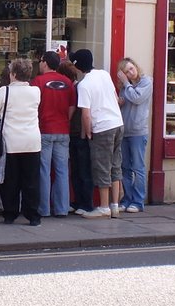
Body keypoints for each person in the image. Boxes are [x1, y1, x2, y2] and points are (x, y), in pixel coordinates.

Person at [70, 48, 124, 219]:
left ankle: (103, 207)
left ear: (77, 66)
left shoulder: (84, 85)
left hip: (102, 127)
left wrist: (88, 133)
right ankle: (115, 206)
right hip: (118, 123)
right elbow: (115, 97)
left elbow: (86, 114)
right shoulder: (104, 74)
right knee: (115, 165)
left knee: (101, 167)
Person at [0, 57, 42, 225]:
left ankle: (10, 214)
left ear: (12, 74)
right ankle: (33, 215)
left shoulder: (3, 92)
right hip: (32, 141)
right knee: (31, 181)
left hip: (11, 142)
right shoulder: (36, 91)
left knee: (10, 181)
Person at [32, 50, 74, 217]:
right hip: (63, 130)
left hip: (44, 130)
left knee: (44, 170)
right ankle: (62, 208)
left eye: (41, 61)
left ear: (45, 62)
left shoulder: (37, 81)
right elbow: (72, 107)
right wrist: (65, 121)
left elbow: (33, 106)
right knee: (62, 171)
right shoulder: (68, 82)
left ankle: (44, 209)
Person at [117, 57, 153, 213]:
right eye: (126, 72)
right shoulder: (125, 87)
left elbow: (137, 98)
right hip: (125, 130)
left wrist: (125, 84)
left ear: (136, 67)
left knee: (138, 167)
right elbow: (123, 100)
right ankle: (127, 198)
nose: (130, 73)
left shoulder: (146, 82)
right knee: (124, 167)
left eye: (131, 69)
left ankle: (138, 201)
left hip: (138, 131)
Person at [60, 59, 94, 215]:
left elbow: (82, 112)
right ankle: (79, 201)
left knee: (82, 170)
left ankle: (85, 203)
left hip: (78, 134)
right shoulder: (76, 87)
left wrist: (82, 134)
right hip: (74, 133)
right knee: (77, 170)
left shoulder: (79, 88)